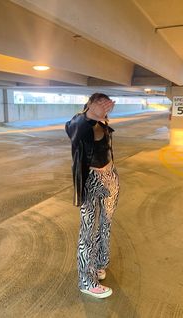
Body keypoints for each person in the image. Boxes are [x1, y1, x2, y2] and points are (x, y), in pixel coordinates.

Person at [65, 93, 119, 299]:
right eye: (96, 105)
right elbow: (73, 128)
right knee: (88, 231)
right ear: (88, 105)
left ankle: (98, 264)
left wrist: (111, 176)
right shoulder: (80, 123)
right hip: (91, 183)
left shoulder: (104, 123)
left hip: (111, 179)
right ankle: (86, 281)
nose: (102, 109)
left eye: (104, 106)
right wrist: (89, 116)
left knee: (105, 226)